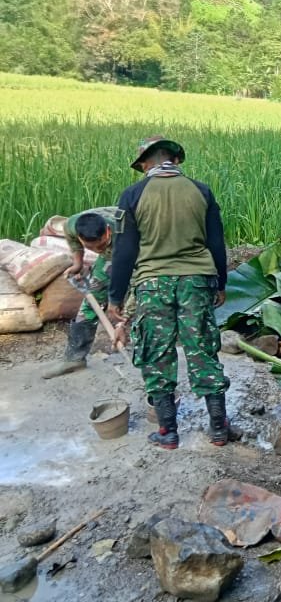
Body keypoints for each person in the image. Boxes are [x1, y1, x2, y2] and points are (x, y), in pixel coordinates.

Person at [107, 136, 229, 450]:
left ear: (146, 163)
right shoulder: (200, 191)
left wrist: (115, 299)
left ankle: (168, 432)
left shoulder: (133, 195)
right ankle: (218, 429)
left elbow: (124, 252)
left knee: (157, 354)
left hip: (152, 284)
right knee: (202, 349)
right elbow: (217, 243)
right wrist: (221, 283)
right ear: (174, 160)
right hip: (197, 281)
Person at [41, 208, 119, 379]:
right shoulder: (72, 225)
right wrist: (78, 263)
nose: (97, 250)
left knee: (143, 298)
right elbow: (74, 242)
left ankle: (150, 361)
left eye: (101, 245)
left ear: (108, 231)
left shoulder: (124, 229)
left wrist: (120, 303)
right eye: (92, 248)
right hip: (110, 256)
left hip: (139, 253)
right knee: (92, 299)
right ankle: (75, 359)